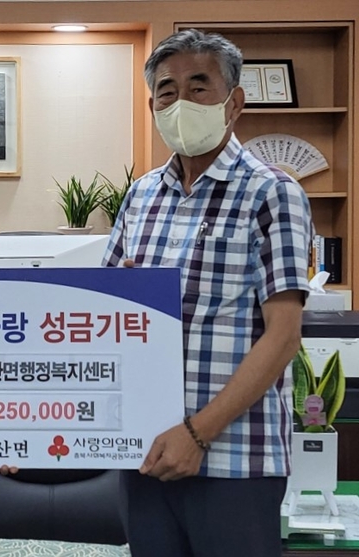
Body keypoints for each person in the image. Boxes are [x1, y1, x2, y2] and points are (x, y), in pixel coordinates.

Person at [103, 29, 312, 557]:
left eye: (199, 87)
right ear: (153, 106)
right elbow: (102, 314)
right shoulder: (141, 196)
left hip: (235, 461)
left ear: (233, 102)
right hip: (145, 454)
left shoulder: (272, 192)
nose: (181, 102)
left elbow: (283, 336)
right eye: (167, 91)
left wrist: (197, 434)